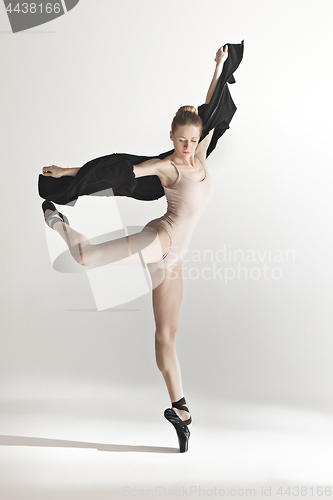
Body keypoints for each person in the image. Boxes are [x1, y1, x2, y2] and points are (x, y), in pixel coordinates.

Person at [41, 43, 236, 453]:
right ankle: (57, 222)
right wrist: (69, 172)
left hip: (176, 260)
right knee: (88, 256)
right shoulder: (166, 165)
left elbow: (211, 105)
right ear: (171, 137)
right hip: (159, 239)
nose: (185, 146)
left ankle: (180, 410)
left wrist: (218, 66)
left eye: (191, 139)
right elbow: (116, 168)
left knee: (167, 334)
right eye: (180, 140)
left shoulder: (200, 153)